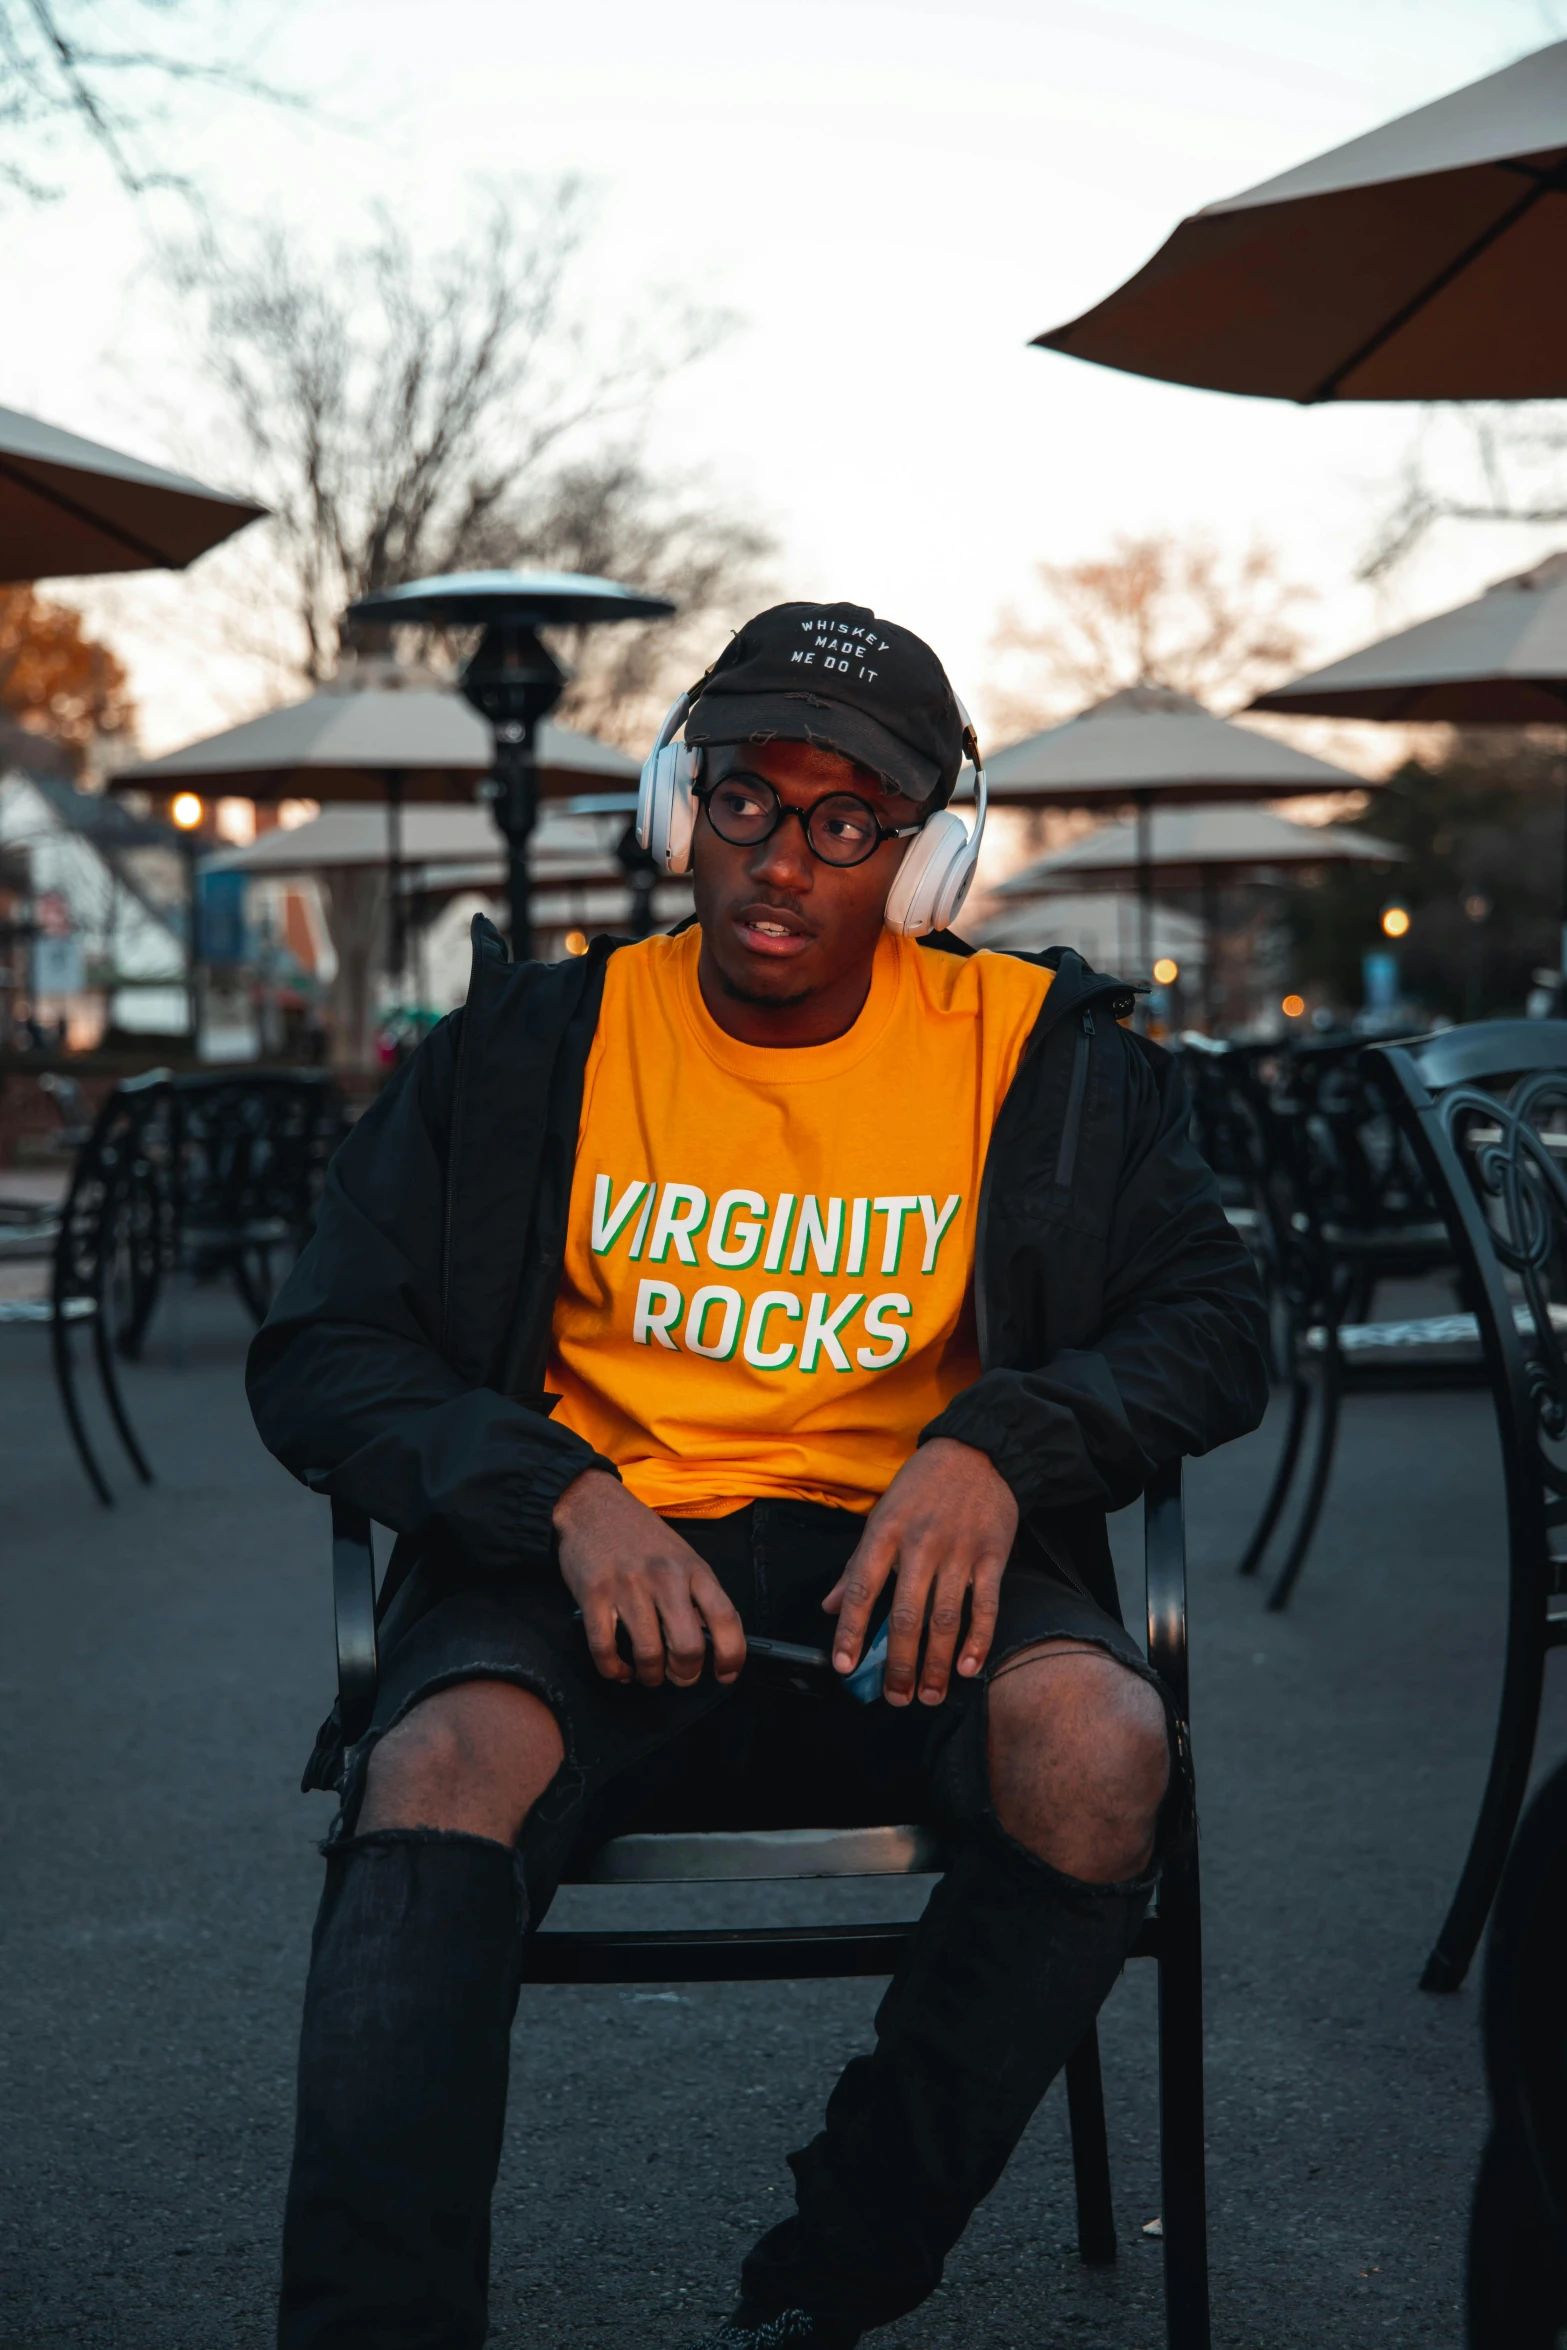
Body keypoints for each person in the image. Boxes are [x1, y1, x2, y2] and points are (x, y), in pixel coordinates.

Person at [249, 600, 1269, 2350]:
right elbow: (324, 1348)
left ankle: (831, 2274)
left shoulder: (1042, 1060)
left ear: (925, 854)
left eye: (843, 818)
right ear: (676, 803)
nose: (779, 860)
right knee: (430, 1761)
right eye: (744, 801)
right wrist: (555, 1497)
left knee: (1103, 1748)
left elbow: (1214, 1320)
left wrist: (997, 1446)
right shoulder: (524, 1053)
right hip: (592, 1566)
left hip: (911, 1584)